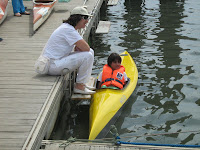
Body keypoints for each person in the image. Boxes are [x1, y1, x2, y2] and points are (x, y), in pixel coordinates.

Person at [40, 6, 95, 95]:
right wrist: (80, 47)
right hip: (52, 65)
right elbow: (86, 48)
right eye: (85, 18)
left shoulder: (68, 28)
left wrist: (79, 47)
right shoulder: (68, 30)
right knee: (88, 55)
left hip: (56, 61)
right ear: (77, 18)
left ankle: (82, 83)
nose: (87, 21)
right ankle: (79, 86)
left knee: (90, 52)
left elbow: (83, 48)